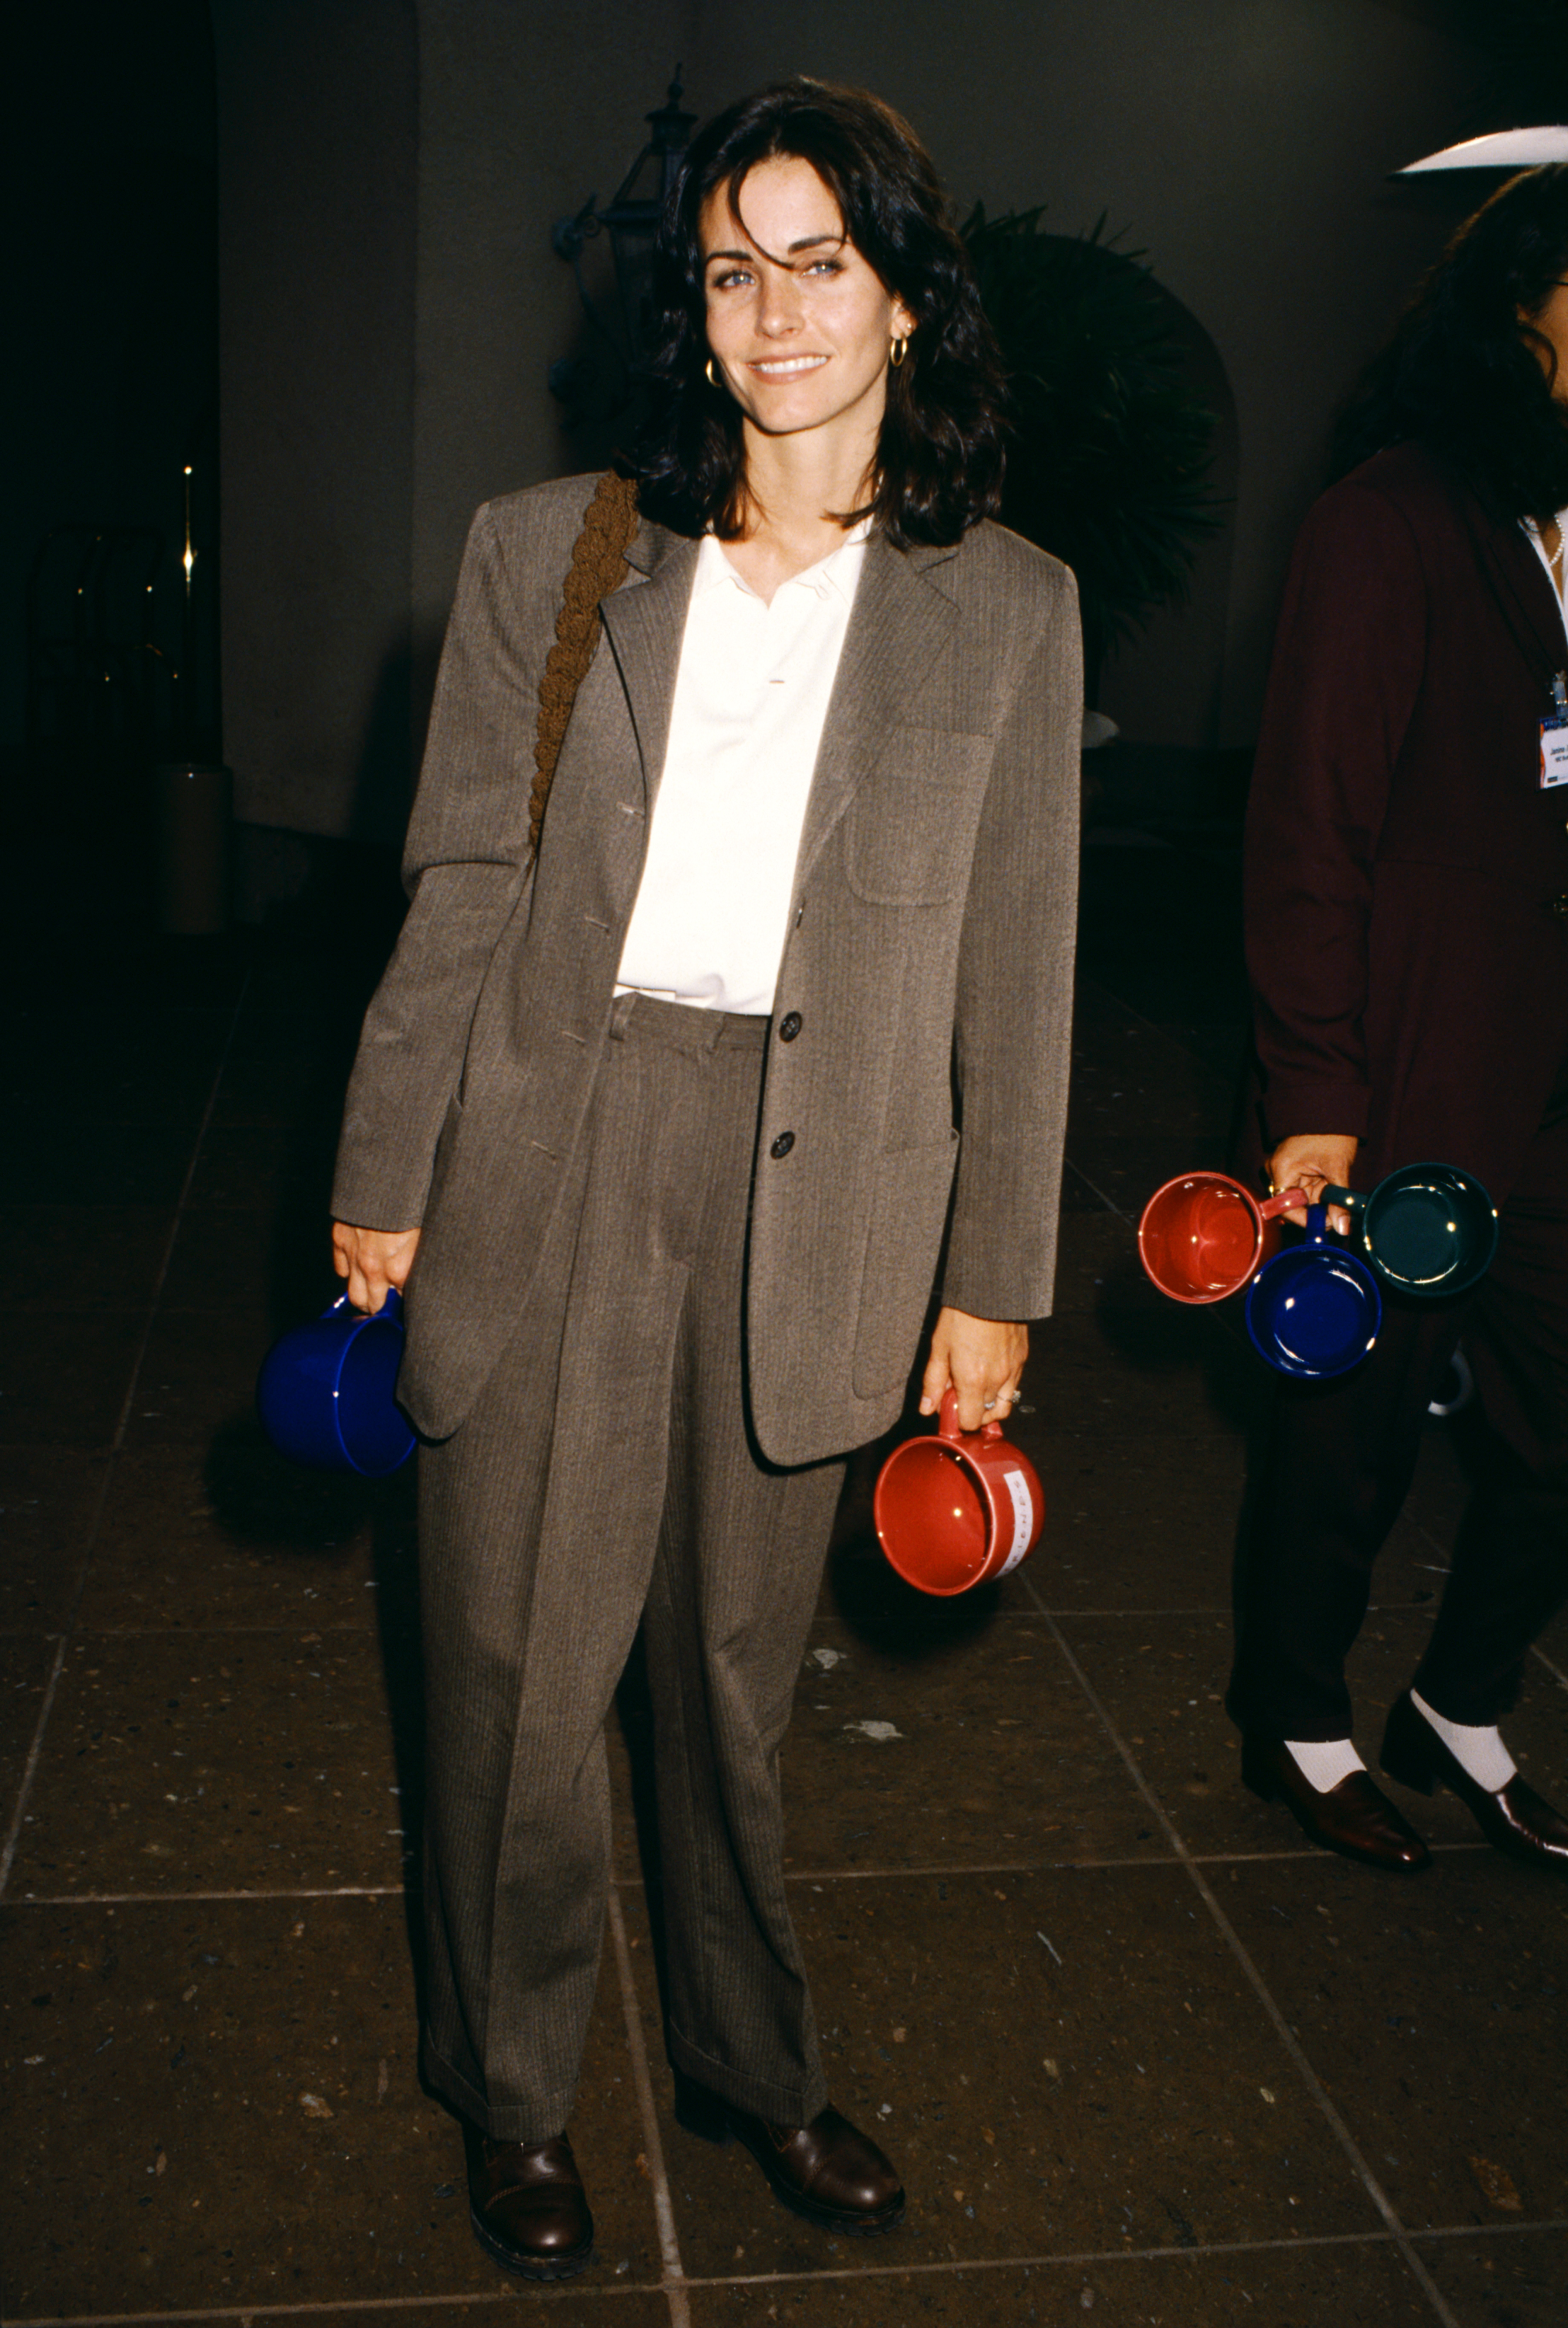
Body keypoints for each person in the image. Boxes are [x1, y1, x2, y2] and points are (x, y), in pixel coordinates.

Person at [329, 79, 1080, 2281]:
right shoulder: (553, 551)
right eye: (735, 272)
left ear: (909, 302)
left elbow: (1022, 965)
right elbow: (459, 881)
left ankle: (758, 2065)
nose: (774, 316)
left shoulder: (1007, 609)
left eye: (821, 264)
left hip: (819, 1183)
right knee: (515, 1671)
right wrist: (389, 1160)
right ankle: (515, 2088)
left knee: (734, 1694)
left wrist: (995, 1271)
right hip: (551, 1143)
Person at [1229, 164, 1568, 1877]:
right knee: (1351, 1424)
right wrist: (1314, 1088)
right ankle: (1293, 1715)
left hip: (1550, 1077)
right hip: (1407, 1066)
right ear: (1524, 304)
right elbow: (1308, 822)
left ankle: (1458, 1698)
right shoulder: (1390, 516)